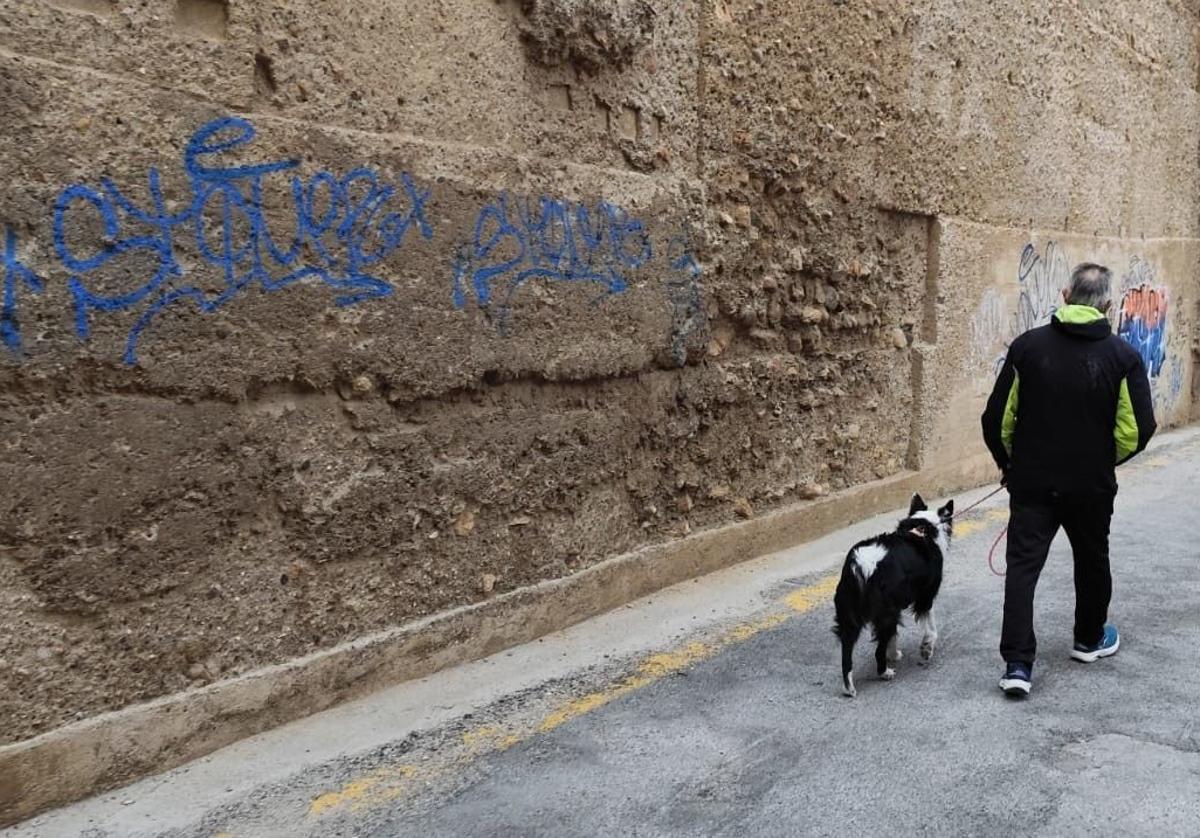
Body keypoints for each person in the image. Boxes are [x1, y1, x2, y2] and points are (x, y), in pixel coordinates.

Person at [980, 263, 1156, 697]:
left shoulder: (1027, 348)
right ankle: (1089, 638)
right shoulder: (1123, 357)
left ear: (1064, 295)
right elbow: (1138, 429)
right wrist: (1101, 460)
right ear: (1109, 306)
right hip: (1090, 486)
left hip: (1033, 484)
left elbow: (996, 419)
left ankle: (1018, 665)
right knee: (1092, 559)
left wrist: (1011, 465)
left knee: (1023, 568)